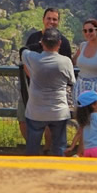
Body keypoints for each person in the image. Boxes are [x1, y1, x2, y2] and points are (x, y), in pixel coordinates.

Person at [17, 8, 69, 146]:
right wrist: (34, 78)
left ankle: (46, 150)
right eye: (49, 18)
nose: (51, 21)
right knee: (22, 119)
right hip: (28, 86)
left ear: (59, 22)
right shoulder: (33, 38)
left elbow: (66, 66)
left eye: (54, 19)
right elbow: (25, 60)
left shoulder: (63, 42)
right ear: (43, 20)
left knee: (49, 123)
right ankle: (34, 148)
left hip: (51, 91)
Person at [21, 27, 75, 156]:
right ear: (59, 43)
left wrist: (38, 45)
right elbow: (71, 81)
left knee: (32, 148)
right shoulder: (66, 61)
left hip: (36, 111)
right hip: (59, 111)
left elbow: (23, 50)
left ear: (42, 43)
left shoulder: (33, 58)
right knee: (59, 148)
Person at [73, 17, 97, 105]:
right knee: (80, 113)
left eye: (90, 30)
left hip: (95, 87)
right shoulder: (82, 46)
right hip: (80, 86)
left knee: (94, 113)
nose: (87, 33)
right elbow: (73, 61)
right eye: (85, 31)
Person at [70, 90, 97, 158]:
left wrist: (71, 147)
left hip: (87, 150)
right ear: (93, 105)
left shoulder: (83, 119)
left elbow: (79, 133)